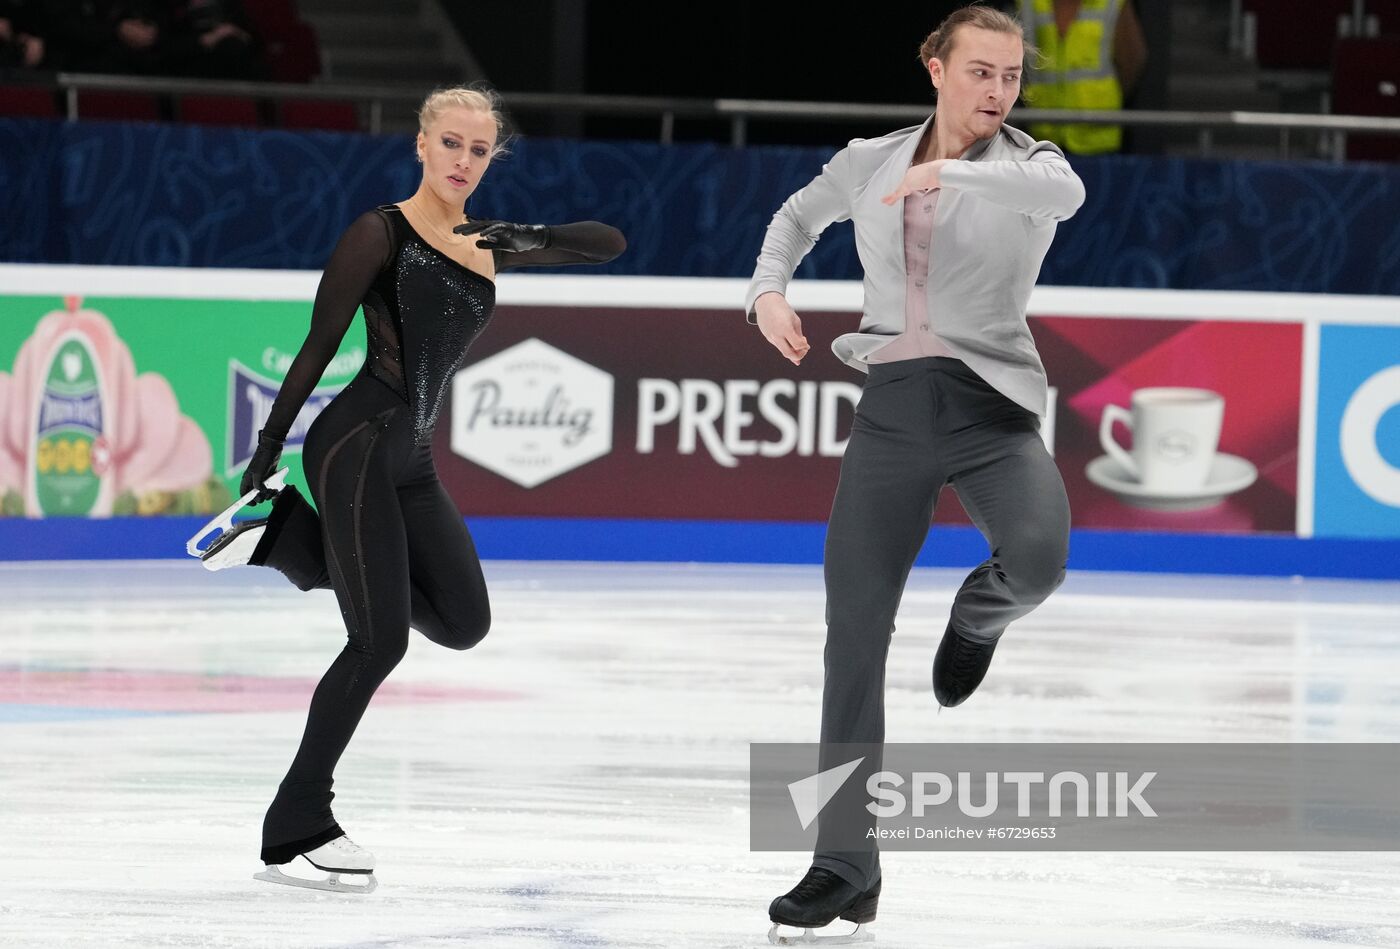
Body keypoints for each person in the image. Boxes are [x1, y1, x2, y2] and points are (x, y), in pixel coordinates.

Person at [216, 85, 625, 892]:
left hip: (413, 459)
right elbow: (316, 346)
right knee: (380, 641)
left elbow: (607, 242)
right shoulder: (380, 232)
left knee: (465, 620)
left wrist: (528, 235)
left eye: (479, 151)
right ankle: (297, 821)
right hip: (358, 443)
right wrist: (268, 444)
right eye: (451, 145)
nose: (464, 162)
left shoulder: (485, 241)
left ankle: (289, 542)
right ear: (422, 145)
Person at [745, 5, 1082, 942]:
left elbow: (1065, 202)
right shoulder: (869, 159)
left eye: (1011, 76)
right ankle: (843, 864)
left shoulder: (1032, 165)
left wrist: (955, 171)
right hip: (891, 412)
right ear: (934, 68)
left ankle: (977, 618)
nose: (997, 91)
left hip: (990, 413)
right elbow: (794, 217)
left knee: (1042, 558)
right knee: (851, 637)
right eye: (980, 72)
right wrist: (766, 289)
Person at [1018, 0, 1148, 154]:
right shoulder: (1029, 3)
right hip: (1041, 134)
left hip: (1098, 135)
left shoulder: (1114, 3)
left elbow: (1132, 60)